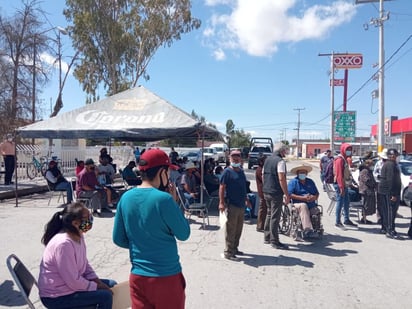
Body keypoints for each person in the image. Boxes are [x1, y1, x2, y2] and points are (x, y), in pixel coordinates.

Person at [113, 148, 190, 309]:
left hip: (138, 276)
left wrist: (142, 243)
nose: (169, 175)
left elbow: (118, 239)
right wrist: (174, 203)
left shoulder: (125, 197)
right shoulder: (164, 200)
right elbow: (184, 234)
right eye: (168, 171)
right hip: (166, 277)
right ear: (162, 172)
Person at [38, 202, 116, 309]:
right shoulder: (63, 244)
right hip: (56, 297)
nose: (90, 220)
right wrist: (96, 286)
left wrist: (97, 281)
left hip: (69, 287)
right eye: (87, 218)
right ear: (75, 223)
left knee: (112, 284)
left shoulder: (78, 235)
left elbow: (85, 263)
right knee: (105, 296)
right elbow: (73, 281)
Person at [219, 150, 250, 261]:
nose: (236, 159)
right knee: (231, 229)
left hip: (241, 204)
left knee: (238, 229)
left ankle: (235, 248)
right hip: (232, 204)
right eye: (233, 157)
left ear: (241, 159)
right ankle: (228, 251)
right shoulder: (227, 172)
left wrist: (247, 199)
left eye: (238, 157)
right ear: (229, 158)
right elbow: (222, 187)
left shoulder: (241, 171)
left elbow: (243, 187)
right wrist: (221, 202)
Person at [262, 143, 290, 250]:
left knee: (269, 214)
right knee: (275, 216)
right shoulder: (280, 162)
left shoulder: (267, 160)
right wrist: (286, 194)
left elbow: (263, 175)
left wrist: (265, 187)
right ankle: (274, 240)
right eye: (285, 151)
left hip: (266, 191)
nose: (285, 153)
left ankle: (267, 236)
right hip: (275, 192)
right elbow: (281, 178)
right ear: (281, 151)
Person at [287, 164, 320, 239]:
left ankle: (316, 228)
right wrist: (303, 198)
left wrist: (313, 197)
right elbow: (289, 194)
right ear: (298, 174)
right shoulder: (293, 182)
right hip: (297, 203)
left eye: (304, 173)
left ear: (306, 173)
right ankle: (307, 230)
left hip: (310, 203)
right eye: (301, 173)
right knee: (303, 206)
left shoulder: (310, 182)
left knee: (316, 210)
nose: (302, 174)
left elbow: (317, 193)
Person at [377, 148, 402, 239]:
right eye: (395, 156)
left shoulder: (389, 164)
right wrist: (393, 194)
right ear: (391, 156)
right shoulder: (391, 165)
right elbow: (391, 180)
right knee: (390, 211)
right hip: (388, 191)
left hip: (384, 190)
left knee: (385, 210)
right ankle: (389, 230)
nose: (396, 157)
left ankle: (385, 228)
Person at [334, 143, 357, 229]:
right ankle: (337, 221)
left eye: (350, 149)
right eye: (347, 149)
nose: (349, 151)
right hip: (340, 184)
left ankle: (346, 219)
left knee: (346, 202)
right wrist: (341, 187)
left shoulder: (345, 159)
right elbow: (339, 174)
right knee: (340, 203)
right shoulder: (339, 160)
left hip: (345, 184)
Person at [358, 159, 377, 224]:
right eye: (371, 165)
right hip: (365, 190)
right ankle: (364, 219)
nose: (372, 166)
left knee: (368, 205)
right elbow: (367, 180)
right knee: (365, 205)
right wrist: (373, 184)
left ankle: (365, 218)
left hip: (368, 190)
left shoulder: (368, 171)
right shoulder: (364, 171)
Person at [374, 148, 388, 224]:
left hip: (387, 185)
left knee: (387, 202)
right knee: (379, 202)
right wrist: (379, 176)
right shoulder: (378, 163)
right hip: (379, 184)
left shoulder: (392, 164)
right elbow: (374, 173)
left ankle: (386, 218)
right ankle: (379, 218)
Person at [255, 156, 267, 232]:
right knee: (262, 209)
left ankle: (263, 225)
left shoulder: (263, 169)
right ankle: (260, 226)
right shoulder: (260, 170)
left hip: (264, 191)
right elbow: (264, 180)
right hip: (262, 191)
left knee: (265, 209)